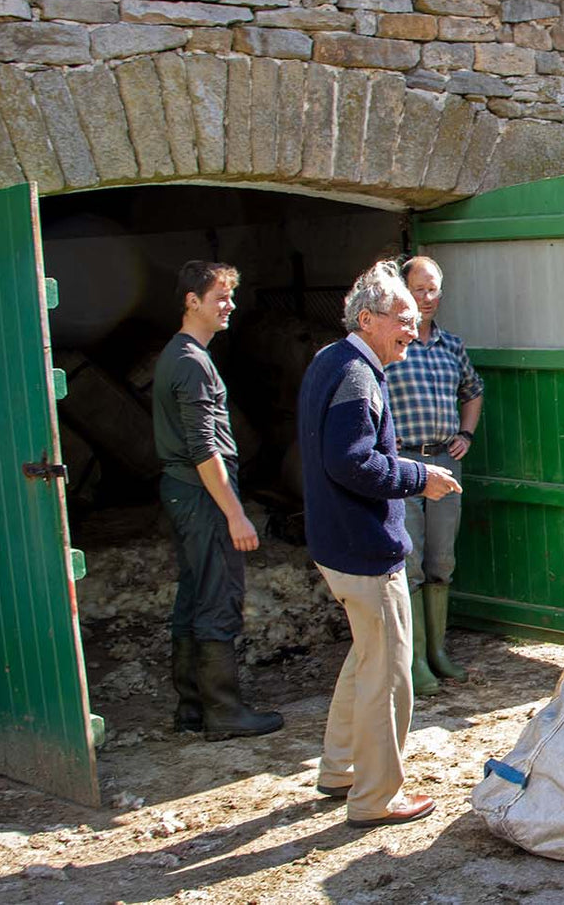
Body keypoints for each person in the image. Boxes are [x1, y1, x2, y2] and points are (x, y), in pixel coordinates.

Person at [298, 262, 462, 828]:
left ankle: (340, 769)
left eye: (417, 322)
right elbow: (350, 462)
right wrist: (421, 478)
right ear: (367, 319)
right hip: (364, 549)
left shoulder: (332, 361)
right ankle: (375, 797)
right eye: (403, 320)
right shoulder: (357, 376)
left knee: (365, 659)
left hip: (337, 545)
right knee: (389, 675)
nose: (413, 333)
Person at [153, 260, 284, 742]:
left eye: (231, 296)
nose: (229, 306)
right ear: (192, 302)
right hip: (202, 496)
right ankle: (224, 711)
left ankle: (192, 709)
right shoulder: (191, 363)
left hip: (184, 492)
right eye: (220, 298)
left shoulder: (180, 355)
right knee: (216, 596)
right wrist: (236, 514)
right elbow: (203, 448)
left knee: (193, 593)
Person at [385, 254, 483, 698]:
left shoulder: (451, 346)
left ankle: (439, 653)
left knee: (441, 562)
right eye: (419, 290)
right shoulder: (391, 346)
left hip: (446, 462)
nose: (427, 299)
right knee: (409, 564)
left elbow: (474, 391)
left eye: (433, 290)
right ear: (403, 291)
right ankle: (414, 660)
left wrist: (466, 433)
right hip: (404, 464)